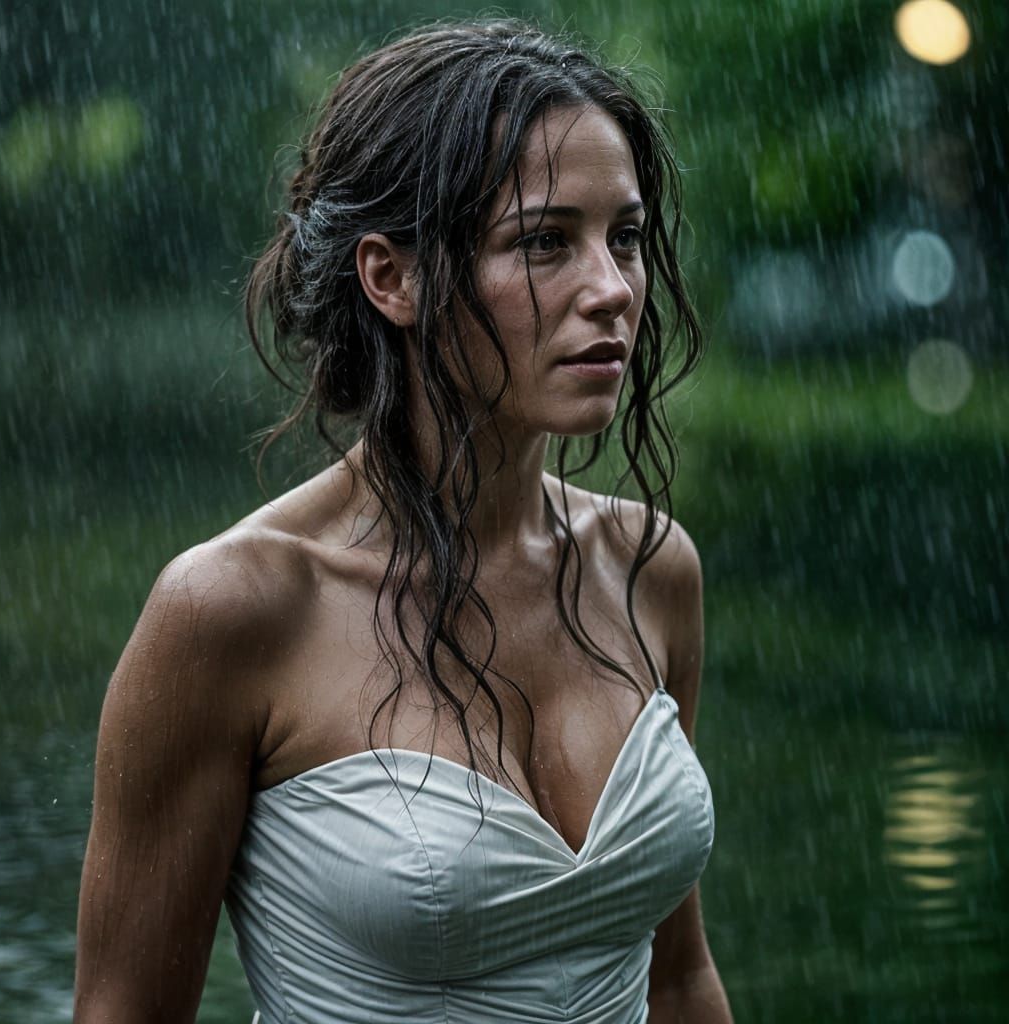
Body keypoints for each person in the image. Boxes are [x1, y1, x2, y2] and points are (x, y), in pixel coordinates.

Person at [74, 18, 732, 1024]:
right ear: (392, 277)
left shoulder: (648, 569)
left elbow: (676, 976)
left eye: (626, 237)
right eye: (545, 241)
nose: (612, 290)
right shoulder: (235, 611)